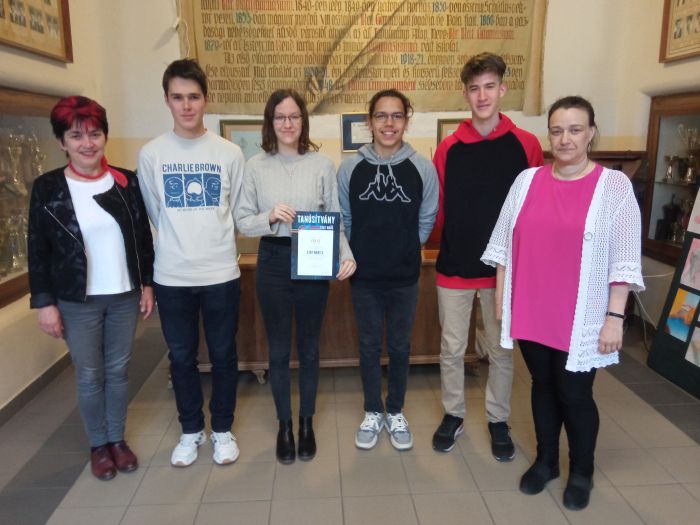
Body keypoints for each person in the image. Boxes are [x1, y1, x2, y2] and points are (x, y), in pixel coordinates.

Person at [482, 96, 644, 510]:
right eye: (557, 130)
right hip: (531, 307)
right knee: (542, 385)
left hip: (581, 314)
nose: (565, 138)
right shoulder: (526, 181)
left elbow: (624, 257)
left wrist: (614, 317)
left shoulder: (614, 187)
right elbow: (503, 246)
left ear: (591, 133)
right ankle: (547, 461)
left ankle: (582, 470)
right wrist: (502, 299)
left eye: (575, 129)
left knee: (574, 393)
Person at [28, 96, 155, 480]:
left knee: (118, 370)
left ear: (105, 137)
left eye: (95, 134)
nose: (88, 143)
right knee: (89, 374)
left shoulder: (125, 181)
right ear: (62, 142)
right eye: (76, 136)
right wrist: (44, 303)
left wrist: (146, 283)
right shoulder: (48, 187)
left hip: (123, 295)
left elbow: (142, 238)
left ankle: (117, 439)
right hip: (76, 299)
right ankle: (98, 445)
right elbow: (38, 249)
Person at [430, 53, 543, 460]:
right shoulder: (448, 148)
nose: (482, 96)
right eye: (475, 88)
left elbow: (534, 209)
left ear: (502, 89)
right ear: (465, 94)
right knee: (451, 348)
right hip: (455, 267)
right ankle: (453, 414)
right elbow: (439, 208)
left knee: (500, 350)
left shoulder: (526, 145)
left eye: (490, 87)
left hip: (503, 271)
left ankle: (498, 419)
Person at [236, 89, 355, 464]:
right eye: (280, 117)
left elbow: (336, 218)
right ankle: (284, 425)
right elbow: (242, 220)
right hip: (273, 259)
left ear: (303, 121)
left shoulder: (322, 165)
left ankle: (306, 423)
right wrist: (269, 216)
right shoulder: (255, 166)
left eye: (294, 116)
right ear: (270, 122)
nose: (287, 124)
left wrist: (346, 254)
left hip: (312, 259)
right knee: (278, 349)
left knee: (309, 347)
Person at [137, 59, 245, 467]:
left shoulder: (229, 153)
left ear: (206, 100)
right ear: (167, 100)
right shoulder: (152, 154)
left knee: (223, 355)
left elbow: (236, 213)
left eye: (194, 97)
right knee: (181, 357)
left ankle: (222, 429)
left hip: (221, 274)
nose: (186, 106)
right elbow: (154, 214)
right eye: (178, 97)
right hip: (172, 276)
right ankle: (190, 430)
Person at [337, 89, 438, 451]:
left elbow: (427, 215)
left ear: (406, 121)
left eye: (397, 116)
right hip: (363, 278)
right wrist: (351, 255)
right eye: (381, 115)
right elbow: (344, 218)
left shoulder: (422, 167)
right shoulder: (350, 168)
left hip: (404, 277)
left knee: (399, 346)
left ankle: (395, 410)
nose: (389, 123)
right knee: (367, 346)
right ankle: (372, 410)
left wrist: (409, 247)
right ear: (370, 121)